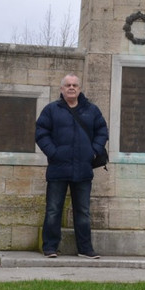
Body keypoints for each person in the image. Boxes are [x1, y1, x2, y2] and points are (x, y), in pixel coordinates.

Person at [35, 74, 108, 258]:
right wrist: (53, 152)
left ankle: (85, 249)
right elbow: (41, 133)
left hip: (83, 170)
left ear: (80, 89)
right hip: (58, 169)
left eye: (75, 85)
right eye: (68, 85)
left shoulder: (91, 110)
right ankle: (50, 247)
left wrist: (93, 151)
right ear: (62, 89)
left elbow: (102, 131)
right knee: (53, 209)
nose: (71, 88)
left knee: (83, 211)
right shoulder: (51, 110)